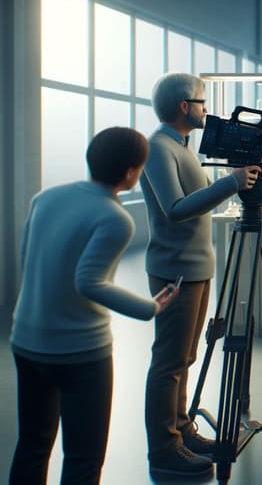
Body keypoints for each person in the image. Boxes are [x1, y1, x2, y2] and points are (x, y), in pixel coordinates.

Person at [9, 127, 179, 485]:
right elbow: (88, 282)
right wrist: (150, 308)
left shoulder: (45, 198)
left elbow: (27, 260)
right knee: (84, 458)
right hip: (80, 352)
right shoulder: (114, 217)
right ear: (132, 172)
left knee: (32, 445)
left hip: (26, 341)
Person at [141, 72, 261, 479]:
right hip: (174, 270)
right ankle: (164, 449)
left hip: (194, 267)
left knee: (185, 357)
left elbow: (202, 196)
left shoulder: (182, 147)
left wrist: (234, 177)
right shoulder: (159, 149)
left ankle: (181, 431)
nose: (206, 111)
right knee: (169, 361)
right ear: (183, 107)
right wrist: (231, 182)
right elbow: (175, 208)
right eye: (202, 103)